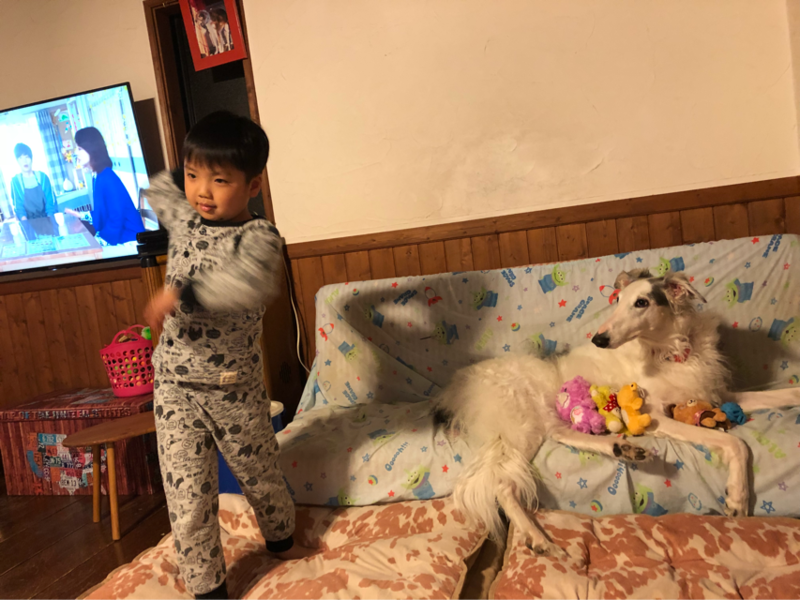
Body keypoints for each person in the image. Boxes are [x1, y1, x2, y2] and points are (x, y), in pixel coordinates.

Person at [143, 111, 312, 600]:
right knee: (187, 498)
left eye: (219, 180)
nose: (202, 191)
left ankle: (280, 539)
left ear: (253, 184)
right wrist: (191, 159)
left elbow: (243, 285)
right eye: (194, 176)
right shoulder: (185, 216)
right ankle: (208, 589)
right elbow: (159, 188)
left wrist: (182, 292)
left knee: (259, 475)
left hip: (233, 388)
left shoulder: (259, 238)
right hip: (174, 387)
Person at [66, 127, 145, 245]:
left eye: (80, 148)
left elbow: (116, 217)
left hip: (131, 240)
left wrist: (101, 241)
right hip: (122, 238)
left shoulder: (107, 177)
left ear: (92, 149)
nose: (76, 153)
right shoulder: (98, 176)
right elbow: (103, 212)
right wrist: (82, 215)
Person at [10, 143, 57, 220]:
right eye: (21, 158)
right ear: (17, 161)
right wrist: (25, 223)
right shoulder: (15, 181)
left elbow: (50, 201)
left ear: (31, 158)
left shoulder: (42, 177)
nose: (25, 161)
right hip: (28, 221)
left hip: (47, 218)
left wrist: (49, 220)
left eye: (27, 157)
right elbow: (18, 206)